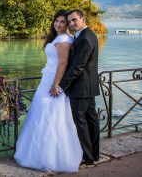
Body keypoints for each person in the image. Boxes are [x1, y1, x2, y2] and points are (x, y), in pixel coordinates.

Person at [14, 10, 83, 172]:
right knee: (42, 114)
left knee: (50, 115)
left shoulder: (65, 39)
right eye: (56, 21)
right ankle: (39, 153)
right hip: (48, 79)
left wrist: (56, 85)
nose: (58, 24)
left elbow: (63, 64)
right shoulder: (60, 38)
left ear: (67, 24)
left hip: (53, 81)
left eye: (62, 22)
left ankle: (50, 157)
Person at [53, 9, 100, 166]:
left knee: (81, 121)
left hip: (80, 88)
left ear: (83, 19)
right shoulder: (87, 35)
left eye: (74, 20)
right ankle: (94, 154)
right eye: (70, 21)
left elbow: (78, 67)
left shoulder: (86, 38)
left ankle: (88, 157)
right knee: (91, 120)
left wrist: (62, 85)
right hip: (89, 86)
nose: (72, 24)